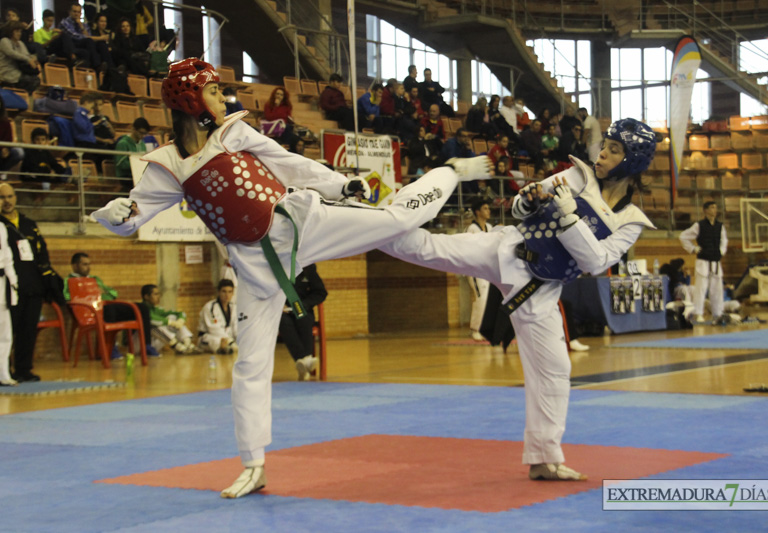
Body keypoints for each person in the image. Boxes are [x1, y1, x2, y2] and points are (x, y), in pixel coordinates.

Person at [89, 58, 492, 499]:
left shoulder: (235, 133)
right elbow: (131, 218)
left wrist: (341, 185)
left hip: (300, 224)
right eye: (210, 92)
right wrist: (114, 216)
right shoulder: (167, 167)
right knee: (250, 364)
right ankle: (253, 465)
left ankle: (451, 171)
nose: (222, 99)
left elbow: (289, 163)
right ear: (189, 100)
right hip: (254, 267)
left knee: (397, 220)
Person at [380, 118, 658, 482]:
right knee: (429, 247)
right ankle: (368, 223)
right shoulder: (576, 176)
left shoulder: (631, 220)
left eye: (615, 149)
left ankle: (544, 457)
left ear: (633, 160)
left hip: (541, 290)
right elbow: (516, 208)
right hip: (508, 248)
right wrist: (528, 201)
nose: (603, 153)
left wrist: (568, 216)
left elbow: (595, 262)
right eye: (605, 144)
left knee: (555, 371)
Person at [0, 183, 62, 382]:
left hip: (32, 286)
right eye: (2, 197)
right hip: (9, 288)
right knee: (8, 330)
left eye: (10, 196)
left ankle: (24, 369)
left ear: (16, 197)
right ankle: (4, 371)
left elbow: (42, 253)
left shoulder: (28, 224)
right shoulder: (0, 226)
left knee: (28, 330)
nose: (7, 201)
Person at [63, 252, 155, 359]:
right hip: (89, 311)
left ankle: (146, 345)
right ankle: (110, 348)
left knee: (141, 308)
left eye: (89, 264)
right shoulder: (68, 281)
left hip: (105, 306)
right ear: (75, 266)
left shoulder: (95, 279)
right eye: (84, 264)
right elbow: (67, 297)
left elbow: (113, 293)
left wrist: (101, 294)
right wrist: (91, 294)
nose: (88, 267)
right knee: (109, 309)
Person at [679, 200, 727, 322]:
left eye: (715, 207)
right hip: (703, 261)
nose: (714, 210)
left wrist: (721, 252)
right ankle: (698, 313)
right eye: (711, 208)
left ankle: (718, 313)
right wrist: (693, 249)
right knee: (701, 289)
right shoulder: (699, 225)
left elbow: (724, 241)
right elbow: (683, 236)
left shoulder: (720, 226)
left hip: (716, 261)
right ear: (705, 210)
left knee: (717, 289)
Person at [278, 263, 327, 380]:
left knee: (303, 319)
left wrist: (304, 304)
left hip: (302, 308)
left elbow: (320, 292)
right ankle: (306, 360)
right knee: (284, 323)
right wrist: (277, 304)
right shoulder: (277, 268)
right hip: (282, 311)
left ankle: (302, 363)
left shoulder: (308, 268)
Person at [141, 284, 197, 354]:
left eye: (159, 294)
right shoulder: (141, 308)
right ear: (146, 296)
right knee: (153, 325)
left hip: (152, 342)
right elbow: (151, 319)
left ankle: (187, 343)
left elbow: (180, 313)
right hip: (139, 343)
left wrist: (180, 320)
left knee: (172, 317)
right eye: (155, 294)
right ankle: (176, 346)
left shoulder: (156, 309)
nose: (158, 297)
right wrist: (170, 322)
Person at [466, 199, 492, 341]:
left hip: (487, 267)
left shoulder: (489, 226)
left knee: (487, 298)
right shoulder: (472, 229)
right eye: (485, 208)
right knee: (480, 297)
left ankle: (484, 327)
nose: (488, 211)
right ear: (478, 212)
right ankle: (475, 328)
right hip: (475, 268)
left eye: (488, 208)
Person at [60, 2, 112, 72]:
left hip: (80, 45)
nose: (76, 14)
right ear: (69, 12)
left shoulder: (84, 25)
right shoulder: (65, 22)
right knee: (88, 41)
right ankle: (97, 66)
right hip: (69, 44)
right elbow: (74, 36)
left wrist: (80, 25)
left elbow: (88, 36)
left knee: (92, 45)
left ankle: (102, 67)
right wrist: (100, 38)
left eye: (78, 12)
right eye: (74, 11)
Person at [198, 279, 237, 354]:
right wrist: (229, 341)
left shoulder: (234, 308)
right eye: (224, 291)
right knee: (218, 342)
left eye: (230, 292)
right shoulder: (210, 307)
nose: (227, 295)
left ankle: (228, 348)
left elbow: (236, 327)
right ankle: (227, 348)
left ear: (233, 293)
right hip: (209, 338)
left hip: (228, 338)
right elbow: (213, 329)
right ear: (218, 292)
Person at [0, 21, 41, 94]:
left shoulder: (20, 43)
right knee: (31, 80)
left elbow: (27, 54)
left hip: (19, 72)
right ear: (10, 31)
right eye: (17, 31)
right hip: (7, 73)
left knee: (36, 79)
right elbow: (12, 53)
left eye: (20, 31)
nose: (19, 33)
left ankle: (24, 95)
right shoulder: (4, 41)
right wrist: (28, 60)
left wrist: (34, 58)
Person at [0, 219, 17, 386]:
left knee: (5, 333)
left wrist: (14, 283)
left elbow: (7, 256)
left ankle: (3, 374)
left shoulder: (1, 227)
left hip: (2, 283)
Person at [0, 98, 23, 175]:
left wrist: (6, 149)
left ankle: (2, 172)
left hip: (1, 151)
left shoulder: (5, 122)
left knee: (19, 152)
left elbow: (9, 140)